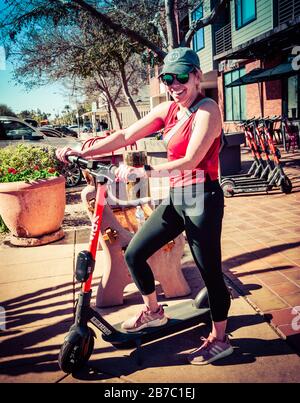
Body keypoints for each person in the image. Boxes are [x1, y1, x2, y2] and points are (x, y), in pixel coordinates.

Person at [56, 47, 233, 365]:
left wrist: (144, 171)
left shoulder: (208, 110)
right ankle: (154, 311)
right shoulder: (170, 110)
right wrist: (81, 148)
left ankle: (221, 339)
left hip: (202, 199)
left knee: (210, 273)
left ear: (195, 76)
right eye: (168, 78)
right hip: (178, 198)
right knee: (135, 252)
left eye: (181, 77)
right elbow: (125, 135)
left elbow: (191, 159)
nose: (174, 85)